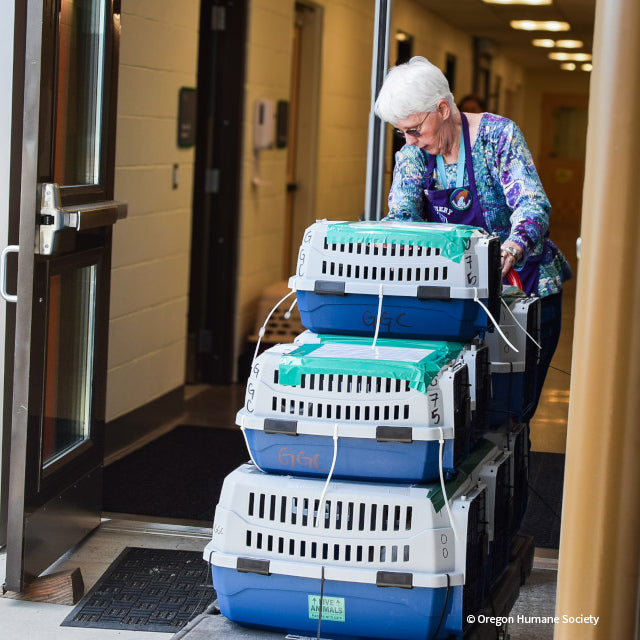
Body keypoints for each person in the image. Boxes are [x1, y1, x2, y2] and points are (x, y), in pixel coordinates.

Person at [374, 56, 572, 420]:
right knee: (461, 411)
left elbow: (532, 204)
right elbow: (403, 217)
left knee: (509, 414)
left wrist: (511, 247)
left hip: (523, 291)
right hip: (459, 300)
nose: (410, 141)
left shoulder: (498, 137)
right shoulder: (414, 155)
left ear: (442, 109)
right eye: (402, 132)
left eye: (415, 129)